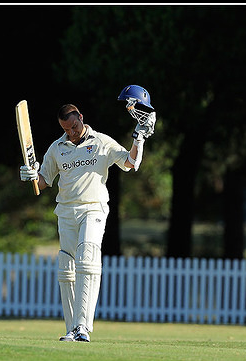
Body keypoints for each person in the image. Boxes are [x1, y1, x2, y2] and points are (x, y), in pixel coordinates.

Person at [19, 91, 156, 342]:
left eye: (74, 126)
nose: (71, 132)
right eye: (66, 129)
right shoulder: (57, 148)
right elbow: (43, 182)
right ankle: (72, 329)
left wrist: (139, 139)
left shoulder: (102, 141)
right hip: (66, 212)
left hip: (94, 208)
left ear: (81, 118)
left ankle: (84, 326)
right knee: (66, 267)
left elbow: (130, 163)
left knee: (88, 257)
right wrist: (30, 175)